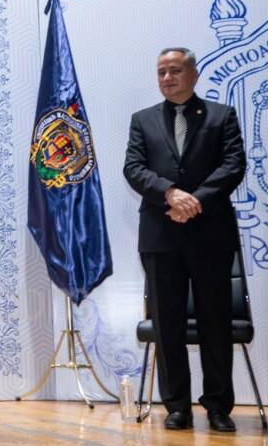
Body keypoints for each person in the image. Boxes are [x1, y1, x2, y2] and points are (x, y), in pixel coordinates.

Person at [123, 47, 244, 433]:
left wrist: (195, 201)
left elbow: (233, 165)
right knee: (167, 324)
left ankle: (218, 407)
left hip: (211, 236)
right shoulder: (142, 120)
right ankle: (177, 407)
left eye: (175, 71)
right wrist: (170, 194)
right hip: (161, 236)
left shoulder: (221, 116)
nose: (167, 78)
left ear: (193, 75)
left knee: (215, 323)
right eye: (161, 72)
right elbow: (133, 168)